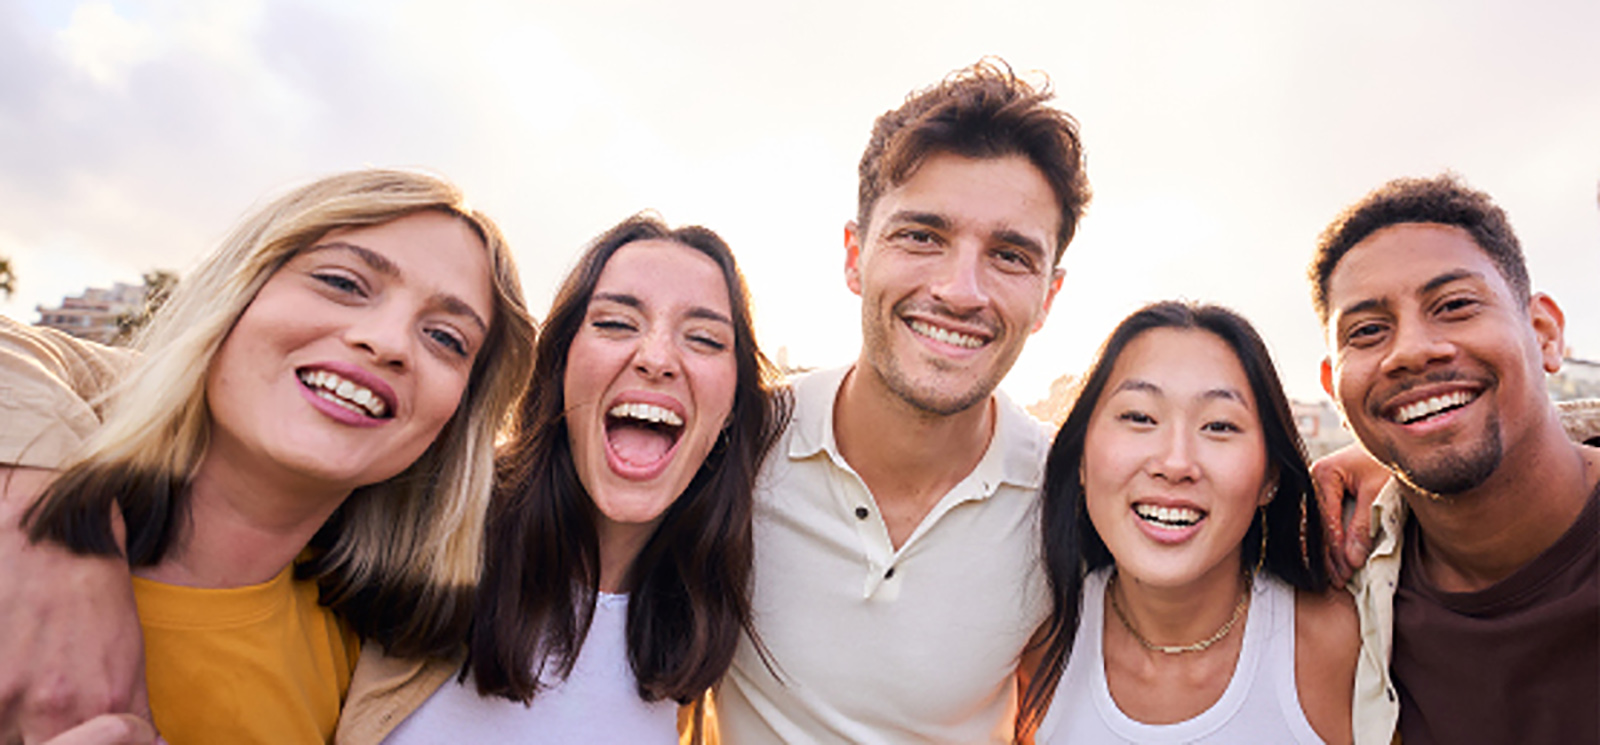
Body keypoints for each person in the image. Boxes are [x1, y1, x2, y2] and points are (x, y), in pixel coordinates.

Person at [2, 168, 537, 744]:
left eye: (446, 339)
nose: (386, 341)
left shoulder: (385, 661)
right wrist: (47, 511)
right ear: (237, 293)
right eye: (343, 282)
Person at [714, 59, 1091, 743]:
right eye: (922, 236)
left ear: (1048, 297)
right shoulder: (735, 445)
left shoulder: (1069, 497)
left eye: (1009, 255)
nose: (960, 290)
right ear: (855, 256)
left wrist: (1353, 479)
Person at [333, 215, 787, 743]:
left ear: (731, 406)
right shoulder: (415, 535)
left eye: (705, 339)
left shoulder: (701, 629)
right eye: (616, 323)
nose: (657, 359)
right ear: (559, 367)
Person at [1311, 174, 1599, 744]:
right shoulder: (1339, 590)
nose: (1412, 350)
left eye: (1455, 305)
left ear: (1543, 333)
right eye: (1368, 331)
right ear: (1333, 388)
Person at [1023, 301, 1357, 743]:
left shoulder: (1341, 641)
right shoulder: (1032, 650)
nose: (1176, 463)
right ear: (1081, 458)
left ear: (1270, 478)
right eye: (1139, 417)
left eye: (1219, 426)